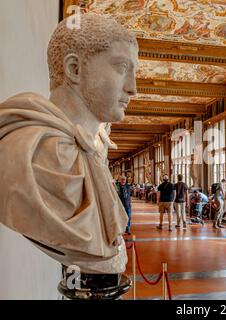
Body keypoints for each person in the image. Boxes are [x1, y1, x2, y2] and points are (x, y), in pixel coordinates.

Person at [0, 13, 137, 274]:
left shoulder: (89, 153)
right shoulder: (28, 153)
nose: (133, 88)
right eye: (122, 68)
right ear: (74, 69)